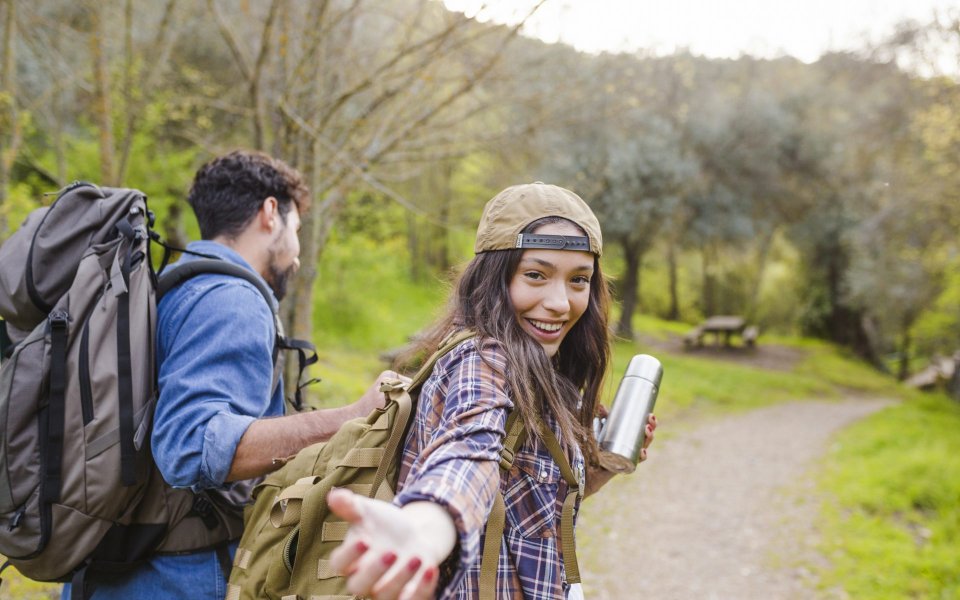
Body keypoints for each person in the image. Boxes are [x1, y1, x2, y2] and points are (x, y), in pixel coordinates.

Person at [63, 150, 389, 599]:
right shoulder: (231, 299)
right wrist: (350, 417)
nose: (296, 254)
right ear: (270, 213)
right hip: (176, 575)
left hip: (120, 568)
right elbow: (190, 444)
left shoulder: (177, 283)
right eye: (297, 230)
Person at [327, 182, 657, 600]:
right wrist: (425, 528)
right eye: (535, 275)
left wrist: (602, 465)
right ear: (495, 278)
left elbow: (533, 512)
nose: (560, 302)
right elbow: (469, 452)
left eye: (579, 280)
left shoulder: (545, 373)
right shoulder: (482, 361)